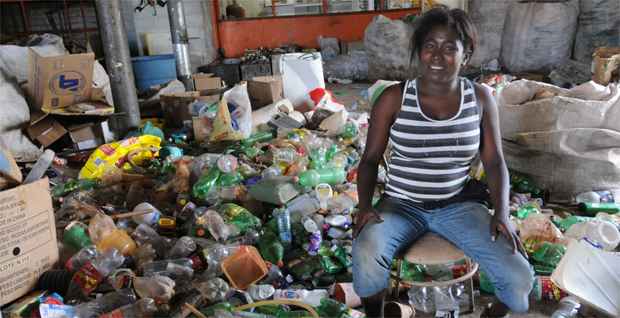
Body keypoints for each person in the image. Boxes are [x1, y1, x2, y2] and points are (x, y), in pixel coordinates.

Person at [352, 6, 534, 318]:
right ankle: (375, 314)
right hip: (400, 205)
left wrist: (502, 213)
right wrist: (366, 205)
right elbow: (369, 161)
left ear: (466, 54)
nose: (438, 57)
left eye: (450, 47)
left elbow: (494, 162)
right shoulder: (394, 98)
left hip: (458, 205)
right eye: (430, 46)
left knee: (519, 277)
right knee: (366, 252)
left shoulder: (480, 98)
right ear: (419, 51)